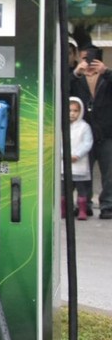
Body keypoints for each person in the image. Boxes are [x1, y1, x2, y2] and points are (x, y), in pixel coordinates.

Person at [71, 47, 112, 219]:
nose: (86, 62)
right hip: (83, 132)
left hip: (106, 132)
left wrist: (107, 72)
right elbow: (61, 89)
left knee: (109, 172)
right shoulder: (77, 79)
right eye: (83, 58)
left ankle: (107, 205)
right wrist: (75, 73)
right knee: (83, 171)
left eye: (89, 59)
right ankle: (84, 203)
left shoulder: (106, 78)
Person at [67, 96, 94, 221]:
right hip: (65, 164)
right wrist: (64, 155)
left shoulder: (84, 127)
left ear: (80, 111)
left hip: (79, 163)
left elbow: (87, 143)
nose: (72, 113)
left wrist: (77, 154)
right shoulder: (62, 126)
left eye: (75, 111)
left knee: (81, 189)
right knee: (65, 189)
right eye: (69, 110)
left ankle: (82, 210)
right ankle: (65, 210)